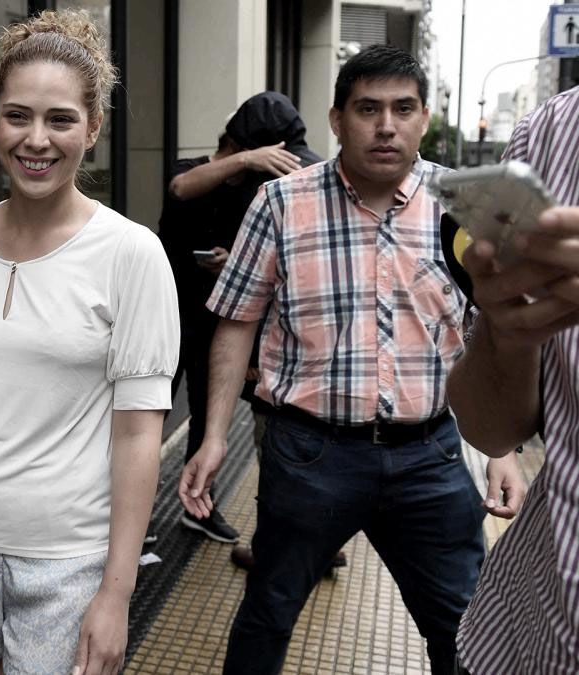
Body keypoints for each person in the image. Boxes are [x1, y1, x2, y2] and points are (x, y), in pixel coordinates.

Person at [177, 45, 524, 675]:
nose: (385, 125)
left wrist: (499, 450)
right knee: (267, 617)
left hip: (433, 457)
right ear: (337, 120)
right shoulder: (282, 202)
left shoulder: (464, 209)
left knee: (467, 632)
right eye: (368, 108)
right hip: (310, 457)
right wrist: (214, 437)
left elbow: (489, 333)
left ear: (424, 118)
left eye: (402, 108)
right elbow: (237, 320)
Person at [0, 10, 181, 675]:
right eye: (18, 116)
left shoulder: (131, 254)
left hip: (68, 555)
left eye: (61, 119)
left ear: (94, 127)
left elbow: (139, 435)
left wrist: (116, 594)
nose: (37, 139)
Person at [451, 85, 579, 674]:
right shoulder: (552, 130)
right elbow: (491, 426)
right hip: (538, 625)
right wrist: (508, 330)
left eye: (404, 109)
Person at [159, 91, 321, 546]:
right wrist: (246, 159)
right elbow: (180, 189)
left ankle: (198, 506)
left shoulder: (252, 189)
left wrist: (230, 260)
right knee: (148, 417)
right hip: (166, 317)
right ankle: (128, 514)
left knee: (209, 420)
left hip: (214, 322)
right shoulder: (193, 168)